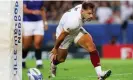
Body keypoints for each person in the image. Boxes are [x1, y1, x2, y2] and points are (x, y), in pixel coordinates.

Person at [50, 2, 111, 80]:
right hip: (65, 35)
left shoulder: (83, 8)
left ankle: (100, 74)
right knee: (61, 59)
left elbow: (86, 3)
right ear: (82, 11)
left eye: (92, 13)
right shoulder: (73, 21)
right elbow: (62, 35)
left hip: (77, 30)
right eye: (89, 14)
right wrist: (55, 48)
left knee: (91, 47)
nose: (91, 16)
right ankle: (53, 64)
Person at [22, 1, 48, 69]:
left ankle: (39, 63)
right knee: (26, 45)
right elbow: (23, 9)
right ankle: (22, 60)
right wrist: (32, 12)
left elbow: (42, 10)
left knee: (38, 43)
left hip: (38, 22)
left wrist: (45, 22)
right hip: (27, 22)